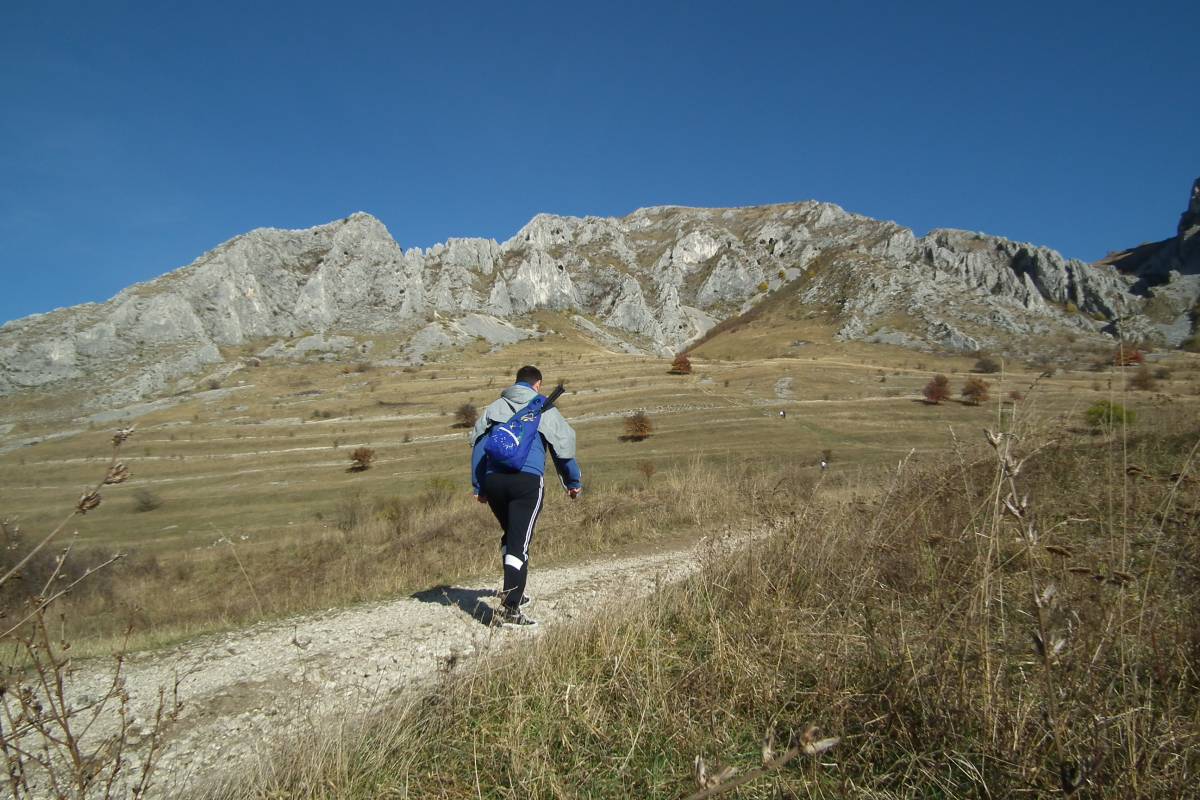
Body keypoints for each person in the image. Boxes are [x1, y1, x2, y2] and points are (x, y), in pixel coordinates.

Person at [470, 365, 582, 626]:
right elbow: (563, 446)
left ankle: (515, 593)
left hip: (494, 481)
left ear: (516, 382)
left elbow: (479, 446)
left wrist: (479, 486)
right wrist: (572, 481)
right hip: (527, 481)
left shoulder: (495, 407)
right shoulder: (543, 407)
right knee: (519, 543)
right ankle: (511, 609)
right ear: (538, 384)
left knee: (512, 536)